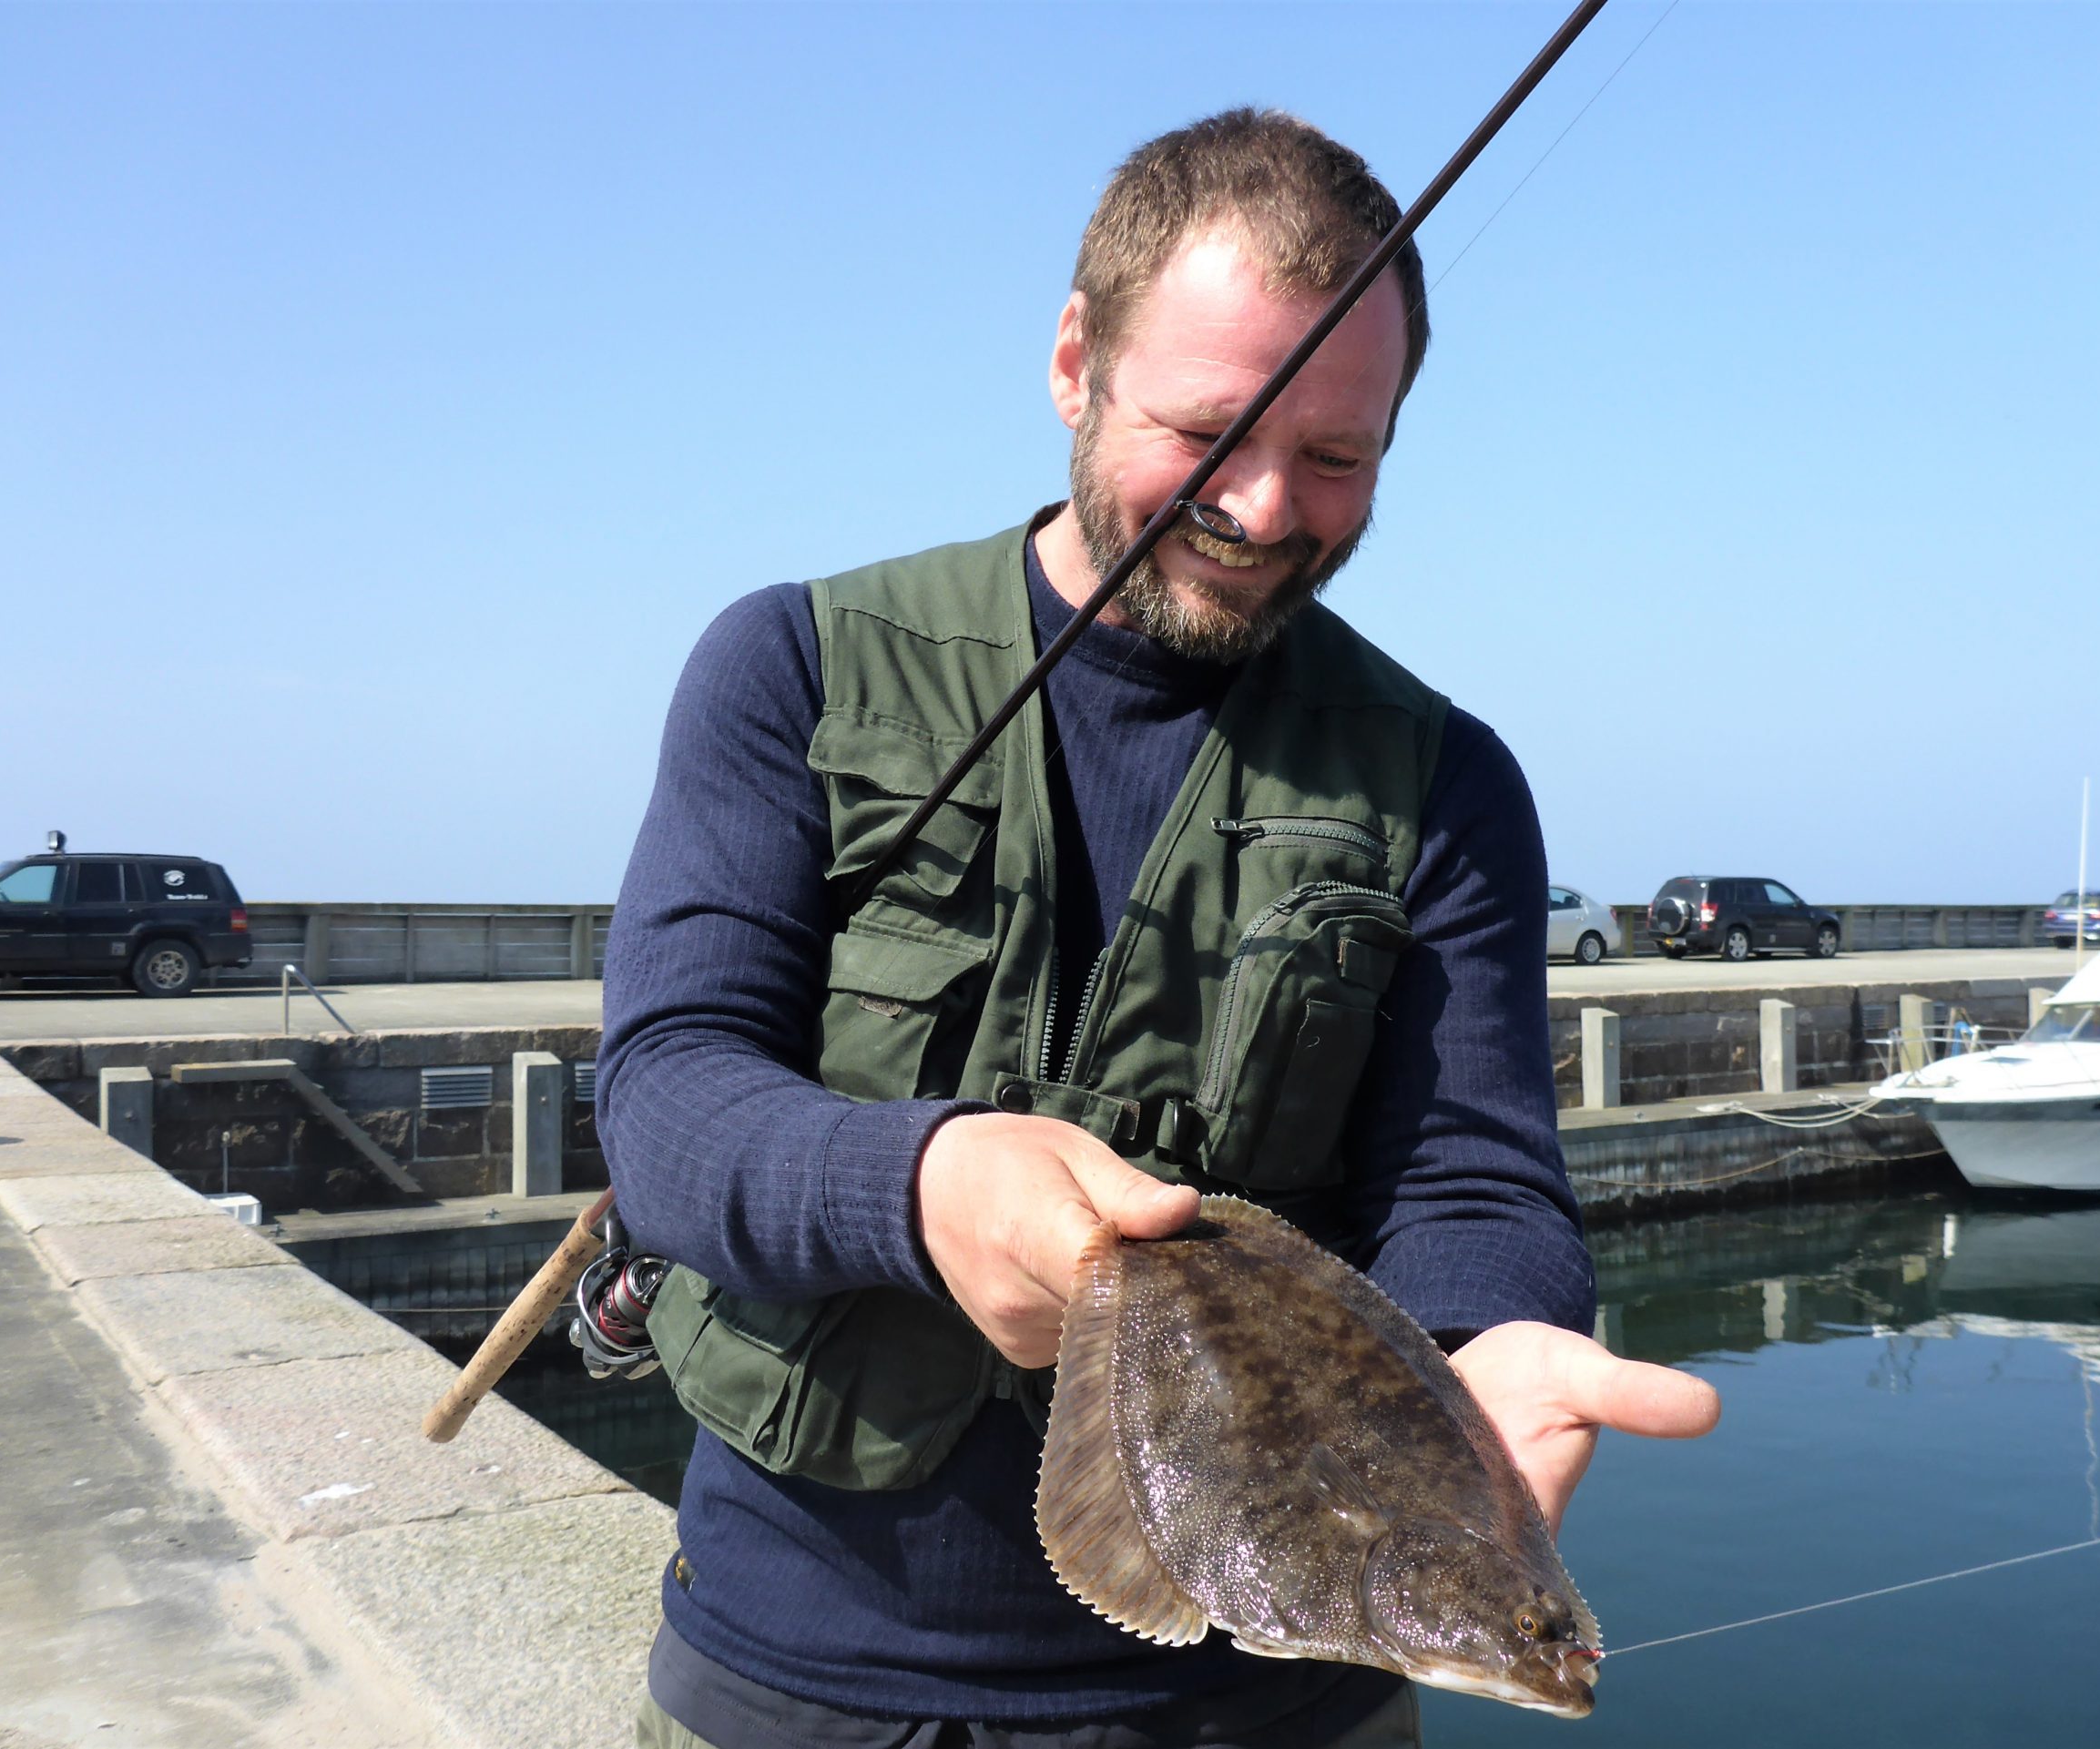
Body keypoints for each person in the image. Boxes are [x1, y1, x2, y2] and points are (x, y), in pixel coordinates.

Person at [599, 107, 1718, 1749]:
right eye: (1214, 430)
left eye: (1338, 457)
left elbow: (1470, 1175)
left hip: (1263, 1706)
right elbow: (670, 1094)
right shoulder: (792, 668)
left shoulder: (1447, 781)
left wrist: (1487, 1346)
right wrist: (922, 1184)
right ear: (1076, 359)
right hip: (796, 1676)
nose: (1267, 509)